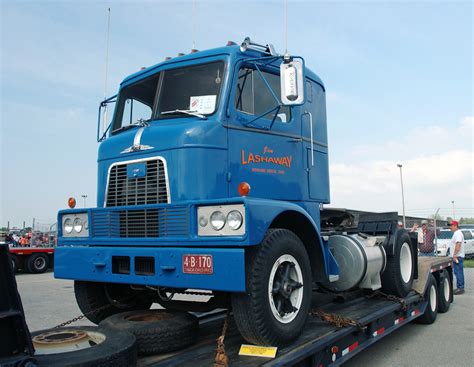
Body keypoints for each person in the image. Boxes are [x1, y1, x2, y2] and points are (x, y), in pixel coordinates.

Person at [448, 220, 465, 295]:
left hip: (457, 256)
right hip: (456, 256)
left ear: (455, 226)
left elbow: (458, 245)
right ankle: (460, 287)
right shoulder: (456, 233)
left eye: (451, 226)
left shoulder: (458, 233)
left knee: (458, 272)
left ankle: (460, 288)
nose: (450, 227)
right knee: (457, 272)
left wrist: (454, 255)